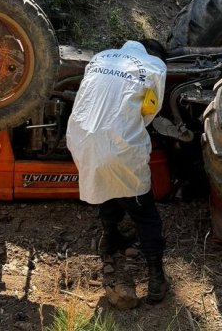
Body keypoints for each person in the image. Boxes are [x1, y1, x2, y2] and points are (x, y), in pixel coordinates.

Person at [66, 38, 169, 303]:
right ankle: (156, 279)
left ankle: (110, 238)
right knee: (143, 211)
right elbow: (150, 110)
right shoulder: (155, 66)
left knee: (105, 183)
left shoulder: (101, 56)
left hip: (79, 137)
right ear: (155, 55)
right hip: (118, 144)